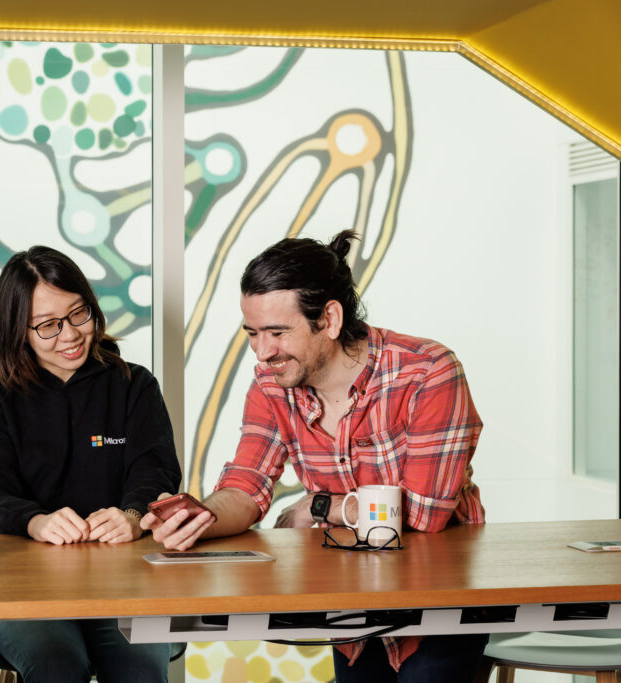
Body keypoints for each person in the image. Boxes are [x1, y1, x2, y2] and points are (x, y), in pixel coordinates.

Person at [141, 230, 487, 682]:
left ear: (330, 318)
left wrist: (321, 506)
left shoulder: (428, 371)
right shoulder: (272, 384)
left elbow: (423, 515)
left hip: (441, 607)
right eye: (252, 333)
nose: (262, 352)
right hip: (353, 607)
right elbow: (246, 486)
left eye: (277, 332)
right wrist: (200, 515)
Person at [0, 245, 181, 682]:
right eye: (48, 325)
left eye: (79, 314)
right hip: (24, 588)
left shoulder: (133, 385)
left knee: (139, 666)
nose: (69, 335)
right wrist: (35, 522)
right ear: (17, 330)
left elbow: (156, 471)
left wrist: (133, 515)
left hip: (123, 584)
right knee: (57, 664)